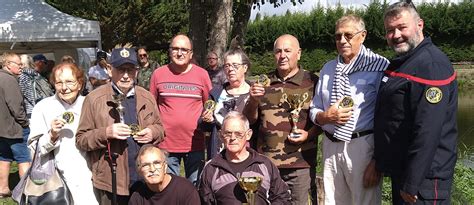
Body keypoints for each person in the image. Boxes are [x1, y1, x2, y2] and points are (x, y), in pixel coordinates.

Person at [372, 2, 458, 204]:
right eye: (390, 30)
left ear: (420, 25)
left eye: (402, 27)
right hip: (403, 172)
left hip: (423, 181)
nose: (396, 35)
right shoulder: (408, 61)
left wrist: (412, 182)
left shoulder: (430, 64)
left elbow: (428, 130)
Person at [309, 15, 389, 205]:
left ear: (362, 36)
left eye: (348, 35)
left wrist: (377, 162)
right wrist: (324, 116)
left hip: (362, 147)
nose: (342, 40)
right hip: (330, 147)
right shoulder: (328, 69)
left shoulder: (380, 67)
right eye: (338, 36)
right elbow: (314, 109)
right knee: (331, 201)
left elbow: (387, 117)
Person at [76, 47, 165, 204]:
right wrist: (106, 133)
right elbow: (81, 139)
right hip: (112, 180)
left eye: (130, 70)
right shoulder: (94, 99)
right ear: (110, 70)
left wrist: (152, 132)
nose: (125, 75)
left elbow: (160, 129)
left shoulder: (147, 97)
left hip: (145, 178)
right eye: (120, 69)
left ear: (136, 71)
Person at [243, 34, 319, 205]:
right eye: (278, 51)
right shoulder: (263, 83)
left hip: (300, 165)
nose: (282, 55)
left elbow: (321, 120)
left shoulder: (313, 82)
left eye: (287, 50)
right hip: (266, 163)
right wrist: (253, 100)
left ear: (298, 53)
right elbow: (249, 120)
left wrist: (309, 134)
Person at [28, 63, 97, 205]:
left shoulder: (91, 104)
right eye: (59, 83)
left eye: (70, 82)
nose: (64, 88)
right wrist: (52, 136)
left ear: (80, 83)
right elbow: (34, 149)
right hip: (57, 179)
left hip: (90, 175)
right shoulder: (43, 107)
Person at [149, 34, 212, 186]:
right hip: (166, 143)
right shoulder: (158, 74)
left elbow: (209, 104)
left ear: (191, 54)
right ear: (169, 52)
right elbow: (151, 107)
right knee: (169, 188)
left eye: (184, 49)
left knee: (195, 187)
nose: (179, 53)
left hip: (194, 142)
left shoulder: (202, 75)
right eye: (175, 49)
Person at [199, 111, 291, 204]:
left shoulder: (264, 164)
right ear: (221, 135)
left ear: (248, 135)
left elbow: (282, 197)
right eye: (228, 133)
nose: (233, 138)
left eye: (238, 134)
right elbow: (204, 201)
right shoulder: (212, 168)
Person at [200, 49, 251, 160]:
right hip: (219, 152)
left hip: (247, 153)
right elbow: (203, 126)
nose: (230, 69)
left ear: (245, 68)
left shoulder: (254, 93)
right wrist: (206, 119)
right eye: (227, 66)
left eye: (235, 65)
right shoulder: (216, 93)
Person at [0, 52, 30, 198]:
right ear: (8, 65)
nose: (21, 67)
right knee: (24, 158)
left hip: (2, 129)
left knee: (4, 158)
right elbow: (16, 107)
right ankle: (26, 191)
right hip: (15, 128)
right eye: (18, 64)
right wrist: (25, 123)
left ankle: (3, 188)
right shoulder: (9, 80)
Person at [129, 145, 200, 205]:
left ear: (165, 166)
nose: (152, 169)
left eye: (157, 163)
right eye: (146, 165)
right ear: (139, 171)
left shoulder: (186, 190)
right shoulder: (137, 198)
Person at [19, 54, 55, 119]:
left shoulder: (26, 76)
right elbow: (32, 95)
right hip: (40, 110)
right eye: (45, 63)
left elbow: (30, 96)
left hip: (33, 111)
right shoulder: (34, 75)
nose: (45, 65)